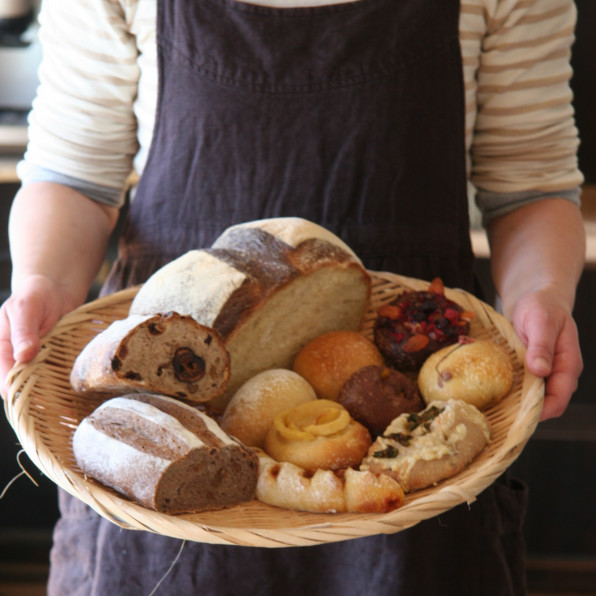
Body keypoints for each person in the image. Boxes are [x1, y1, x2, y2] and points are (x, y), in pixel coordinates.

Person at [0, 0, 586, 594]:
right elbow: (73, 176)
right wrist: (41, 282)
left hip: (403, 391)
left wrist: (542, 291)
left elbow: (529, 185)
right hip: (168, 404)